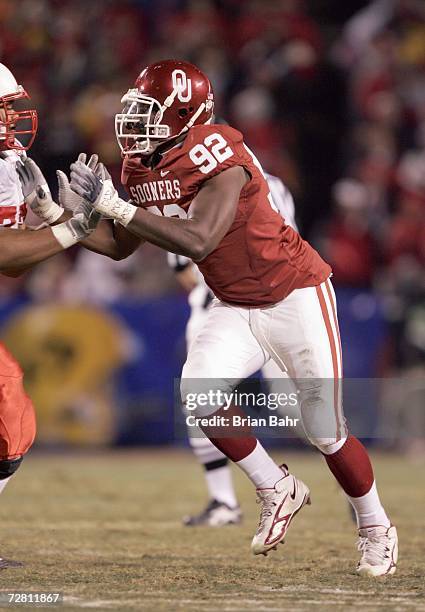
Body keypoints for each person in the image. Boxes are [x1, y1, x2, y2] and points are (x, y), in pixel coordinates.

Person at [67, 59, 397, 576]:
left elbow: (200, 238)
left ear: (188, 116)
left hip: (294, 294)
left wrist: (119, 208)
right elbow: (117, 247)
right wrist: (55, 215)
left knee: (323, 428)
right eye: (134, 111)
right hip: (233, 304)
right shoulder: (140, 166)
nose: (135, 124)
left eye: (149, 113)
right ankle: (275, 486)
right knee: (198, 394)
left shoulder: (219, 149)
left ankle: (376, 526)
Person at [0, 62, 133, 569]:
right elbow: (4, 255)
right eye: (2, 109)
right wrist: (72, 228)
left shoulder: (9, 165)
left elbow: (13, 267)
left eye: (11, 108)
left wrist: (45, 215)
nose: (12, 119)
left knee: (12, 417)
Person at [169, 171, 305, 526]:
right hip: (279, 300)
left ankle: (228, 498)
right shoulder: (274, 183)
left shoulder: (189, 186)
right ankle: (351, 485)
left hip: (228, 306)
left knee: (199, 397)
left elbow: (183, 266)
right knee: (300, 408)